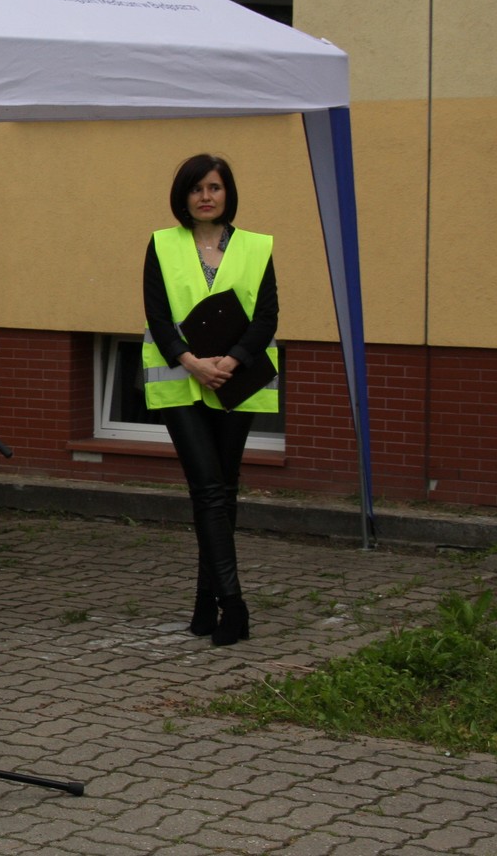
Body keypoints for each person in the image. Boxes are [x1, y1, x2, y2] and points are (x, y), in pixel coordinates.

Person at [142, 153, 279, 648]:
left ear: (227, 193)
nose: (206, 196)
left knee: (224, 489)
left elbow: (267, 316)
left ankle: (206, 603)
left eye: (214, 187)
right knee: (207, 488)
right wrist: (193, 363)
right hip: (181, 381)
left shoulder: (257, 246)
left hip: (236, 382)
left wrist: (232, 361)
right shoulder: (162, 244)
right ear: (184, 195)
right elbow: (158, 316)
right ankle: (234, 606)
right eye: (197, 188)